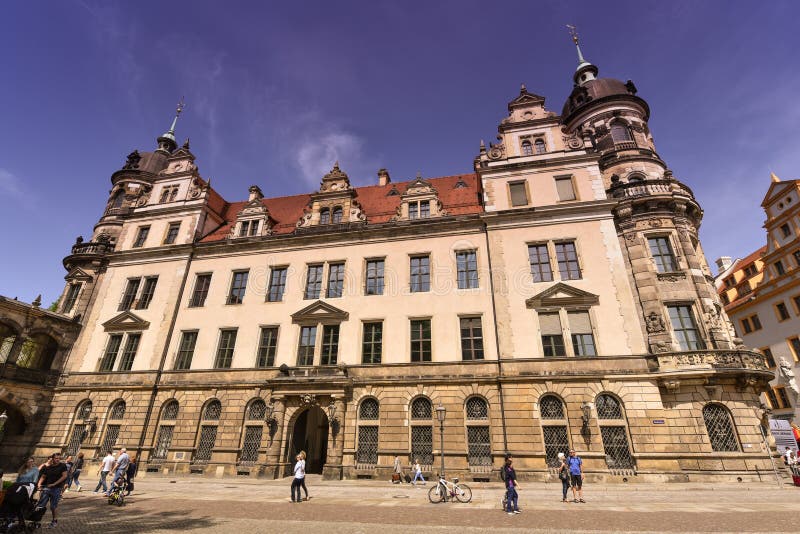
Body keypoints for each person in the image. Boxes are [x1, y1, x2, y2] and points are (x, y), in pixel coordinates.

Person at [37, 452, 69, 529]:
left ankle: (54, 520)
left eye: (59, 458)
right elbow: (43, 476)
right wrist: (39, 484)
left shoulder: (62, 466)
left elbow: (64, 476)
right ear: (52, 458)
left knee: (53, 506)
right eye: (56, 458)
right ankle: (36, 521)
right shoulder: (49, 467)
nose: (57, 460)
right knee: (41, 505)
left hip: (56, 489)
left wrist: (54, 484)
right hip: (47, 488)